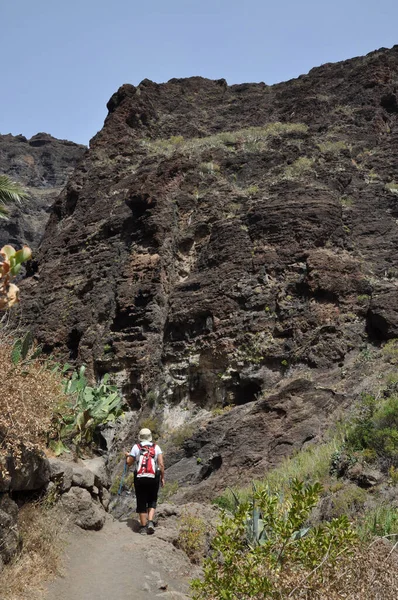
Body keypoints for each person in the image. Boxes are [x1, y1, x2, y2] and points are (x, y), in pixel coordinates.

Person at [125, 428, 165, 535]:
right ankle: (150, 522)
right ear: (150, 436)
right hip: (153, 476)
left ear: (140, 437)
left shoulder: (136, 447)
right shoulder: (156, 447)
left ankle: (143, 527)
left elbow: (129, 462)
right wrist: (162, 477)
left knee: (141, 499)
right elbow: (161, 464)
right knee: (152, 498)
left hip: (140, 476)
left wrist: (127, 456)